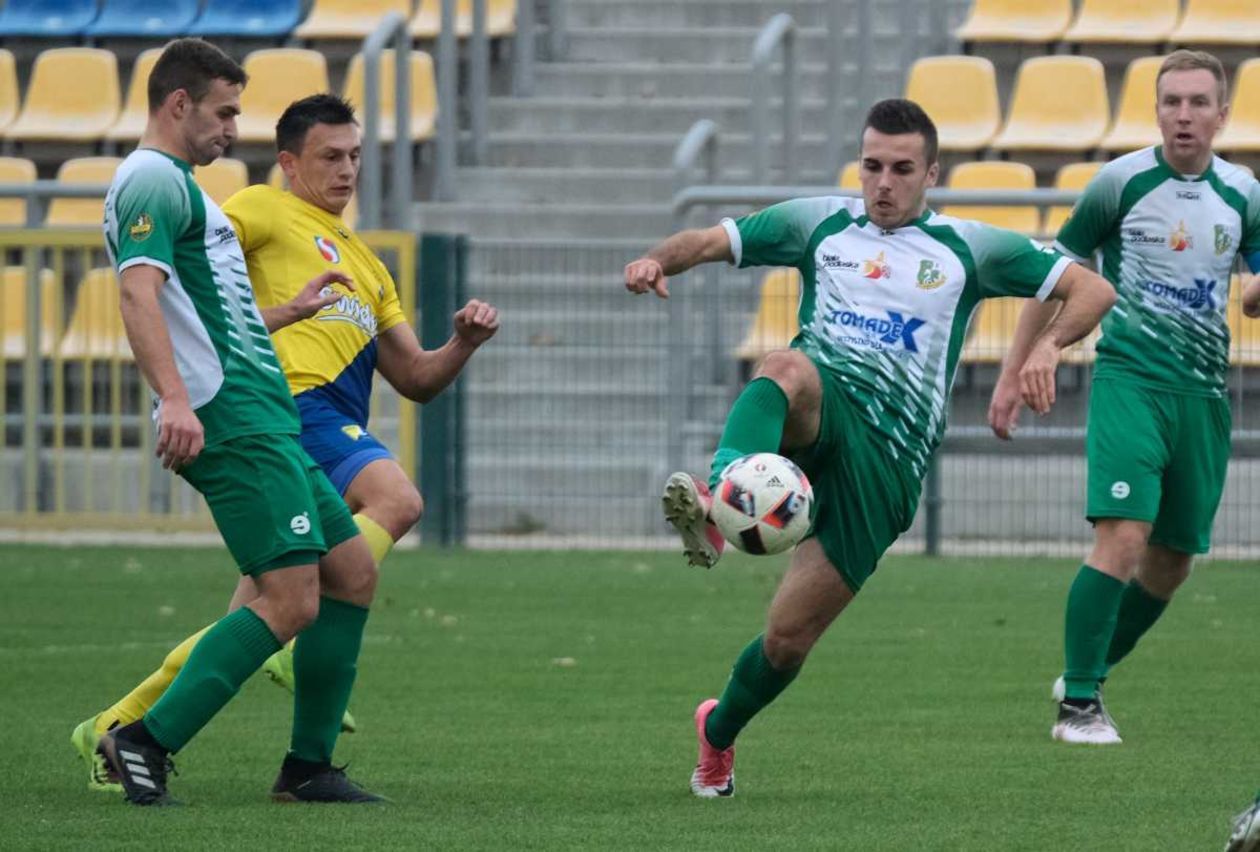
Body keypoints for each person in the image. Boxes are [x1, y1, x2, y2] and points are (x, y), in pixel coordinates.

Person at [623, 98, 1116, 797]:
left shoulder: (969, 248)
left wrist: (1048, 346)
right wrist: (653, 260)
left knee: (786, 640)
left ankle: (719, 732)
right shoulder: (819, 223)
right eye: (872, 165)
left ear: (931, 174)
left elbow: (1092, 288)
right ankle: (723, 490)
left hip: (887, 464)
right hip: (823, 405)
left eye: (902, 169)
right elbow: (707, 240)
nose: (884, 182)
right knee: (785, 366)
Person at [73, 91, 499, 793]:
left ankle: (276, 760)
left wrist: (462, 343)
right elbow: (184, 281)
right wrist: (176, 388)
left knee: (336, 579)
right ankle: (154, 735)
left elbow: (418, 379)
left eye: (355, 156)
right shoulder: (259, 209)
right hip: (280, 407)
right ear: (289, 162)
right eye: (330, 156)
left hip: (303, 419)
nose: (347, 169)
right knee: (387, 508)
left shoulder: (370, 266)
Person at [90, 37, 382, 806]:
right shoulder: (151, 178)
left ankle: (308, 768)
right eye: (224, 113)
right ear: (178, 104)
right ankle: (143, 740)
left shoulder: (184, 187)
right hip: (232, 419)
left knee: (352, 571)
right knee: (291, 598)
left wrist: (287, 311)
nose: (233, 128)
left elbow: (204, 308)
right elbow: (138, 294)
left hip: (264, 413)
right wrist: (175, 399)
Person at [989, 49, 1260, 746]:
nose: (1184, 115)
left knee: (1171, 564)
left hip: (1203, 393)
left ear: (1222, 115)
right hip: (1128, 380)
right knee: (1124, 535)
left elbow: (1254, 293)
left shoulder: (1244, 193)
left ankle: (1089, 669)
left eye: (1198, 102)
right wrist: (1014, 371)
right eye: (1172, 101)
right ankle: (1078, 708)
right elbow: (1052, 275)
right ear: (1157, 111)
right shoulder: (1119, 183)